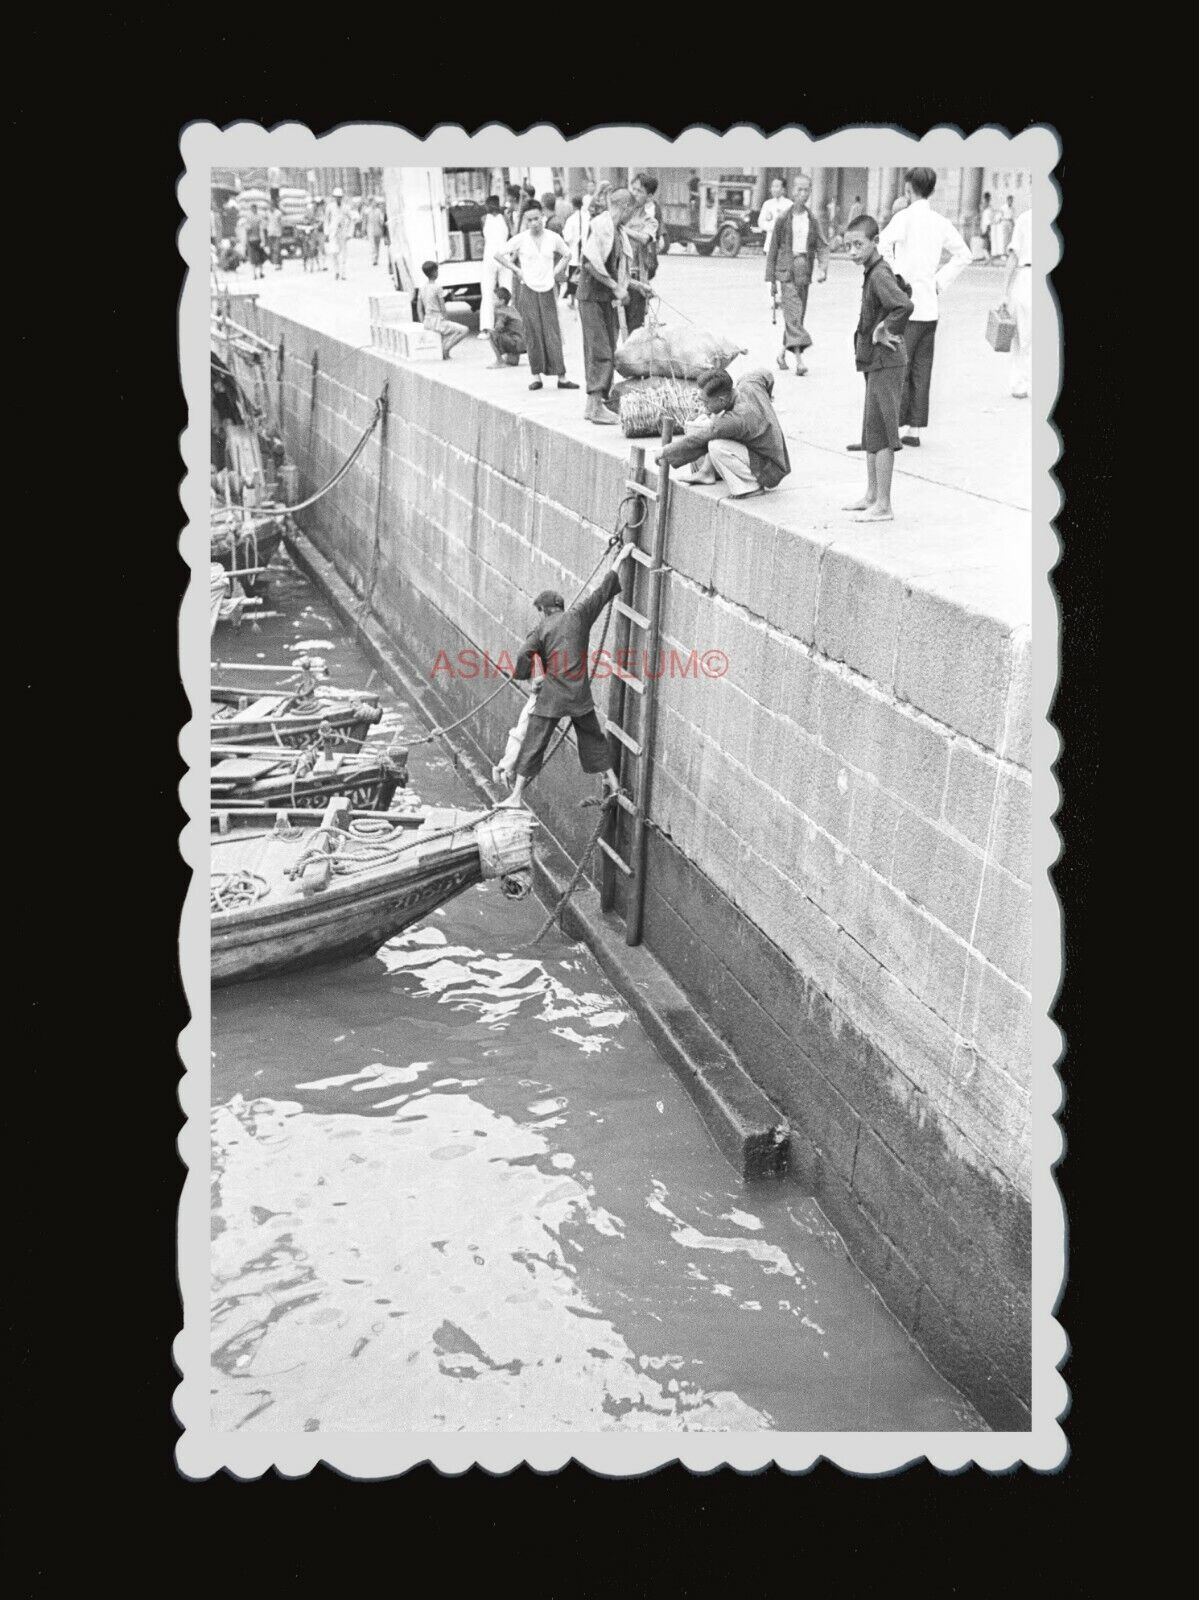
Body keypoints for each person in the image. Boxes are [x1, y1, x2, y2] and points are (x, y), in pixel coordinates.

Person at [503, 543, 636, 808]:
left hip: (551, 697)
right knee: (593, 738)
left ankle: (515, 797)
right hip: (578, 695)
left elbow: (522, 655)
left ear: (543, 609)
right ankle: (617, 786)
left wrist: (530, 678)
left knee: (534, 743)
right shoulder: (580, 615)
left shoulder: (541, 629)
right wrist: (621, 556)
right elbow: (602, 590)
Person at [877, 166, 972, 447]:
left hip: (905, 306)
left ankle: (894, 427)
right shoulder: (940, 222)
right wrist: (938, 282)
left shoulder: (903, 218)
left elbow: (881, 244)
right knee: (921, 367)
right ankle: (915, 430)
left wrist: (895, 276)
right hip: (930, 307)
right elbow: (964, 255)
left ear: (908, 190)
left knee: (897, 367)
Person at [842, 213, 914, 523]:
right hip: (876, 361)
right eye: (848, 246)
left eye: (858, 244)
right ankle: (872, 495)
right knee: (871, 429)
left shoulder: (880, 274)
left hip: (887, 362)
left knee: (883, 432)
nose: (852, 251)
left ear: (875, 242)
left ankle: (884, 504)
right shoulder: (873, 272)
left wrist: (886, 327)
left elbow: (904, 305)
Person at [657, 367, 790, 498]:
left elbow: (699, 439)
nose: (704, 406)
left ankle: (750, 487)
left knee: (716, 445)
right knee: (716, 421)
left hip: (771, 469)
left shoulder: (736, 419)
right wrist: (767, 397)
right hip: (772, 452)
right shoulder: (749, 383)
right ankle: (706, 472)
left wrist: (665, 451)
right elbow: (766, 374)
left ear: (721, 400)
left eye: (705, 402)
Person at [578, 188, 650, 424]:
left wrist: (635, 286)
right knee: (601, 351)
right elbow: (590, 263)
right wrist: (615, 287)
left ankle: (594, 405)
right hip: (592, 296)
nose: (633, 218)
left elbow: (618, 271)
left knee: (607, 347)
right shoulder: (602, 226)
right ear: (625, 208)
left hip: (604, 297)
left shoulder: (618, 232)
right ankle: (596, 406)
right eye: (633, 212)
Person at [493, 202, 578, 392]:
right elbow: (498, 255)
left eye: (536, 218)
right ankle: (536, 376)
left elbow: (567, 254)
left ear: (543, 218)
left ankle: (561, 376)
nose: (533, 223)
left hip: (547, 289)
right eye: (529, 220)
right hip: (528, 289)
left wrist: (555, 272)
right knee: (532, 332)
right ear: (525, 221)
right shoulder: (521, 239)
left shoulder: (552, 237)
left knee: (552, 332)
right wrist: (517, 271)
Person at [764, 172, 829, 376]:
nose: (803, 193)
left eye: (806, 190)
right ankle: (800, 361)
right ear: (792, 192)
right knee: (793, 315)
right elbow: (773, 249)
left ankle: (782, 354)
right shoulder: (783, 218)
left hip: (804, 272)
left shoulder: (812, 219)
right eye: (799, 189)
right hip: (786, 272)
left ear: (810, 192)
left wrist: (823, 267)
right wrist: (771, 280)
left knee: (797, 316)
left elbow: (822, 245)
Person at [1002, 204, 1032, 399]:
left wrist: (1004, 292)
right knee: (1025, 335)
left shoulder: (1025, 218)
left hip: (1026, 276)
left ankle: (1019, 383)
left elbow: (1013, 257)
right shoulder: (1025, 218)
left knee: (1021, 336)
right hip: (1026, 277)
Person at [625, 173, 660, 333]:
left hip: (636, 282)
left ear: (649, 196)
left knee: (634, 330)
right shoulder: (622, 216)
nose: (634, 194)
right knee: (613, 327)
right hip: (616, 279)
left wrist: (623, 230)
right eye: (633, 189)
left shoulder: (650, 222)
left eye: (639, 191)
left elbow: (645, 238)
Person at [418, 261, 470, 360]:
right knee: (463, 330)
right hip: (438, 321)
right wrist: (445, 318)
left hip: (428, 321)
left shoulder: (422, 288)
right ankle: (446, 349)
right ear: (434, 272)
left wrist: (423, 322)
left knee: (448, 332)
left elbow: (419, 308)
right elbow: (442, 307)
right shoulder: (437, 287)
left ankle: (443, 350)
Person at [479, 195, 510, 336]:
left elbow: (482, 234)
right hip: (504, 254)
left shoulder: (484, 219)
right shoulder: (505, 218)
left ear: (487, 205)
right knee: (508, 291)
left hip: (489, 255)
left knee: (487, 292)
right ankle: (509, 323)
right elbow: (511, 234)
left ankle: (486, 328)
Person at [487, 287, 526, 367]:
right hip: (523, 344)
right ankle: (512, 359)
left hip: (515, 343)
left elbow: (498, 328)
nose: (492, 300)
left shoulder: (500, 311)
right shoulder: (512, 309)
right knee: (511, 363)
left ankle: (499, 361)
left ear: (502, 301)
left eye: (494, 298)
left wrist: (490, 330)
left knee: (491, 334)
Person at [561, 196, 585, 308]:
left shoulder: (570, 220)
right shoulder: (588, 217)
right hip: (585, 254)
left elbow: (567, 238)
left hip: (574, 255)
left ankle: (572, 301)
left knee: (572, 279)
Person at [325, 188, 350, 281]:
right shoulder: (330, 207)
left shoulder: (346, 207)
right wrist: (326, 233)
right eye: (336, 197)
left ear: (342, 197)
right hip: (333, 233)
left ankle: (343, 273)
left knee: (343, 254)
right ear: (334, 198)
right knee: (334, 253)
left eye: (340, 197)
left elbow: (351, 219)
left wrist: (349, 232)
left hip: (342, 233)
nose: (338, 199)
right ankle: (336, 271)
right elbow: (326, 220)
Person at [757, 176, 792, 242]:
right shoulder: (767, 204)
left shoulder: (789, 204)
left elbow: (790, 224)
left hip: (784, 241)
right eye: (772, 186)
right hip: (770, 241)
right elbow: (761, 222)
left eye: (776, 186)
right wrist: (774, 226)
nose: (773, 189)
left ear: (783, 189)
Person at [244, 204, 266, 279]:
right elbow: (261, 230)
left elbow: (247, 230)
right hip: (255, 240)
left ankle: (257, 273)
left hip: (254, 240)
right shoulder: (258, 218)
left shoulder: (249, 218)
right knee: (257, 258)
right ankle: (258, 273)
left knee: (255, 258)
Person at [367, 197, 386, 267]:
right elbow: (366, 221)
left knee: (377, 246)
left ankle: (377, 258)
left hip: (378, 230)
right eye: (372, 203)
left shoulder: (378, 211)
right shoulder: (368, 211)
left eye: (374, 203)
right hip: (370, 230)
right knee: (372, 246)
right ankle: (373, 259)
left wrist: (382, 224)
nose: (373, 204)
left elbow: (382, 220)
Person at [266, 203, 284, 269]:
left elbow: (281, 223)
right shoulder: (267, 213)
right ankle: (275, 262)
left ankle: (278, 264)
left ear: (273, 206)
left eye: (271, 206)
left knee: (277, 248)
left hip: (277, 233)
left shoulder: (278, 213)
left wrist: (281, 232)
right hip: (270, 233)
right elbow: (266, 221)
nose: (270, 207)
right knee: (271, 249)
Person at [981, 192, 994, 261]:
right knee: (986, 246)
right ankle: (988, 259)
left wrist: (986, 231)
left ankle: (988, 259)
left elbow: (988, 222)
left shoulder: (988, 210)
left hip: (987, 229)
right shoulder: (987, 210)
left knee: (985, 246)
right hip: (986, 228)